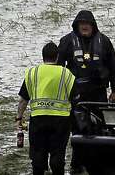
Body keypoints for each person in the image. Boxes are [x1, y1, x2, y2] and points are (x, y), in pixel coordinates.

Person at [59, 9, 115, 174]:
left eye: (87, 24)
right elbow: (58, 68)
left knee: (100, 127)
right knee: (78, 129)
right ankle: (77, 163)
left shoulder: (105, 41)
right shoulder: (66, 41)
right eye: (82, 24)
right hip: (76, 93)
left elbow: (114, 67)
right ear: (77, 25)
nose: (85, 26)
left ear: (93, 25)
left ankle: (98, 162)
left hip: (98, 92)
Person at [16, 41, 77, 175]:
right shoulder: (66, 74)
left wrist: (19, 118)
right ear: (57, 56)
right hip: (61, 121)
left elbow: (23, 100)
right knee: (58, 154)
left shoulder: (33, 72)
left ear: (43, 56)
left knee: (37, 154)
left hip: (38, 119)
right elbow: (76, 98)